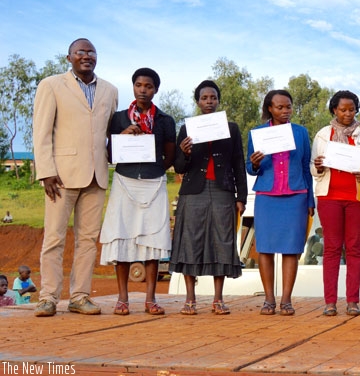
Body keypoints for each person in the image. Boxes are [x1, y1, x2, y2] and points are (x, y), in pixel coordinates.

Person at [32, 38, 118, 317]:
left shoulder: (110, 90)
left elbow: (109, 133)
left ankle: (80, 296)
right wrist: (46, 171)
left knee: (88, 240)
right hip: (61, 177)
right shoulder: (51, 85)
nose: (86, 55)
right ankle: (48, 297)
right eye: (80, 52)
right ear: (68, 57)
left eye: (91, 52)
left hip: (97, 175)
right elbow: (42, 132)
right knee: (54, 238)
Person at [99, 67, 175, 316]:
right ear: (133, 87)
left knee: (152, 242)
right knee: (122, 238)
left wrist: (153, 170)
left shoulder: (165, 120)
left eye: (149, 86)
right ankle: (123, 298)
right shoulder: (119, 118)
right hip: (124, 181)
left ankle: (151, 298)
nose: (143, 90)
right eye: (139, 85)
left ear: (156, 89)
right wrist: (122, 136)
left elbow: (170, 155)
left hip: (154, 185)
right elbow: (110, 155)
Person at [171, 80, 246, 316]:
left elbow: (238, 163)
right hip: (194, 190)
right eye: (204, 98)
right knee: (190, 240)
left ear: (218, 100)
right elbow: (179, 166)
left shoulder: (231, 129)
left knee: (221, 241)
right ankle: (190, 299)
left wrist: (240, 196)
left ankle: (218, 299)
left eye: (213, 98)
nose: (209, 102)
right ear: (198, 101)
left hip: (222, 190)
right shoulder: (187, 129)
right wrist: (183, 152)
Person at [312, 90, 360, 317]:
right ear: (334, 110)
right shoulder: (323, 135)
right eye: (343, 109)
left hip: (357, 198)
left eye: (351, 109)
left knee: (355, 248)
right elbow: (314, 166)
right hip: (329, 197)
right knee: (331, 248)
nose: (348, 113)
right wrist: (319, 166)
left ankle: (353, 301)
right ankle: (330, 302)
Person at [248, 90, 315, 316]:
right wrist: (254, 164)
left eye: (288, 107)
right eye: (280, 107)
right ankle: (268, 300)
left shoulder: (300, 133)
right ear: (270, 108)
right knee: (264, 249)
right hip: (267, 196)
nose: (285, 111)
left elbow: (306, 166)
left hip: (296, 195)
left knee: (291, 249)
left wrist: (310, 198)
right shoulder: (256, 133)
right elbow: (250, 168)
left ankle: (286, 300)